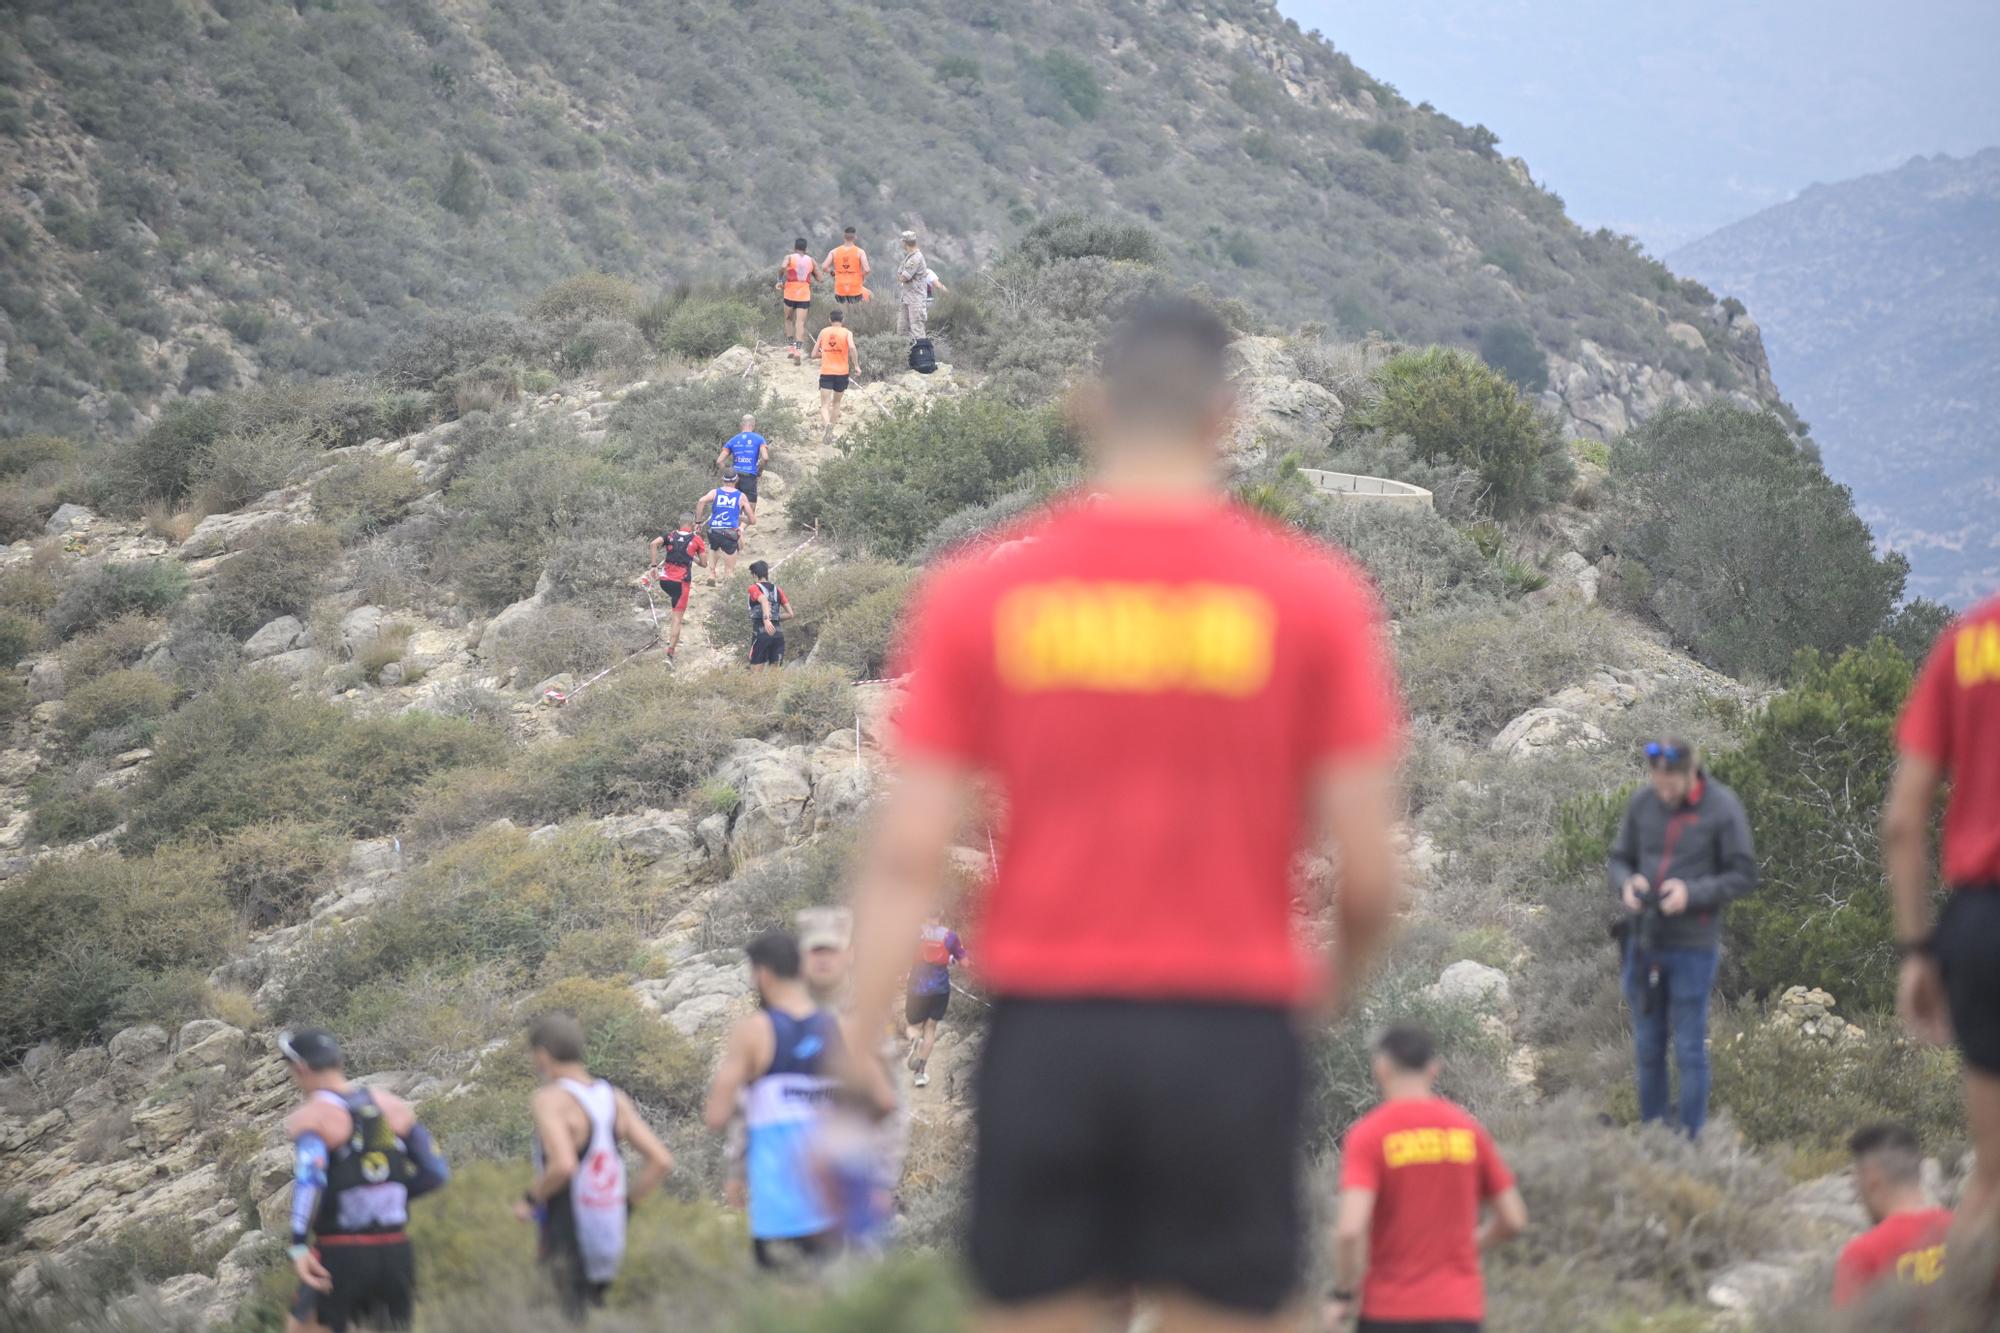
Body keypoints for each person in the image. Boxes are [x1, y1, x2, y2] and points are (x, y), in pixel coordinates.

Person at [848, 297, 1405, 1333]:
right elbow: (1369, 879)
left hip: (1050, 1026)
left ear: (1090, 408)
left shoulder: (981, 595)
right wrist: (1315, 1000)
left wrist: (854, 1043)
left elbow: (908, 852)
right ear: (1224, 420)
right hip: (1230, 1023)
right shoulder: (1312, 596)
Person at [1884, 591, 2000, 1249]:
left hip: (1984, 926)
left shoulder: (1969, 640)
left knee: (1992, 1177)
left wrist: (1916, 949)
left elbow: (1904, 821)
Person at [1327, 1025, 1528, 1333]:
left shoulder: (1368, 1135)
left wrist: (1342, 1293)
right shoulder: (1467, 1131)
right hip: (1458, 1311)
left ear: (1382, 1068)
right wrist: (1467, 1245)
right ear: (1433, 1069)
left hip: (1388, 1312)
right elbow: (1513, 1218)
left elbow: (1350, 1229)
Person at [1608, 737, 1757, 1139]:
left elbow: (1744, 874)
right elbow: (1619, 858)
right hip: (1643, 942)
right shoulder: (1642, 803)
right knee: (1647, 1048)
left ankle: (1692, 1141)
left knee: (1690, 1049)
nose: (1664, 790)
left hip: (1693, 947)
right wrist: (1627, 883)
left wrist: (1691, 894)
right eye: (1657, 781)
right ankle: (1655, 1136)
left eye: (1671, 782)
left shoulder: (1722, 808)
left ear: (1692, 772)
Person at [279, 1029, 449, 1333]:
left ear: (300, 1067)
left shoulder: (313, 1117)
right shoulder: (393, 1107)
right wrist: (390, 1197)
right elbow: (436, 1172)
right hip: (396, 1249)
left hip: (340, 1252)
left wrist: (298, 1245)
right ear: (338, 1061)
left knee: (300, 1327)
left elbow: (310, 1179)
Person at [703, 929, 847, 1272]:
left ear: (762, 973)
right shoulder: (831, 1027)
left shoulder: (753, 1030)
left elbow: (716, 1115)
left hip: (779, 1204)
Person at [516, 1014, 675, 1323]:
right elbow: (661, 1161)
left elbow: (563, 1165)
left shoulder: (550, 1099)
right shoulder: (613, 1098)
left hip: (567, 1232)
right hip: (608, 1232)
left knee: (562, 1318)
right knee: (595, 1315)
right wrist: (627, 1207)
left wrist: (529, 1200)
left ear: (543, 1054)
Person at [1833, 1122, 1951, 1307]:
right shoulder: (1969, 1232)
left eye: (1856, 1179)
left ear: (1872, 1178)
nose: (1856, 1191)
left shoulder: (1863, 1254)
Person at [903, 912, 965, 1089]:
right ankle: (920, 1074)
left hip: (917, 988)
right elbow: (963, 960)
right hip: (940, 989)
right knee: (930, 1028)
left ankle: (915, 1039)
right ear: (941, 914)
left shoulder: (915, 933)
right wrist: (952, 959)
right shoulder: (949, 936)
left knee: (913, 1026)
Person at [647, 514, 709, 660]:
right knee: (677, 619)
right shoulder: (697, 540)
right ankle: (670, 653)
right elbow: (704, 564)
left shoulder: (670, 535)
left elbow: (653, 544)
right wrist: (691, 555)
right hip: (681, 583)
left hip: (665, 581)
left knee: (674, 605)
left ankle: (674, 640)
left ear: (679, 523)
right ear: (692, 524)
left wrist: (654, 565)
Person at [695, 471, 754, 580]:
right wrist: (738, 517)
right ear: (736, 480)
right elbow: (752, 520)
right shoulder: (741, 496)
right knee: (729, 571)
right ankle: (727, 586)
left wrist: (698, 522)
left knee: (713, 547)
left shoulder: (715, 492)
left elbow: (701, 501)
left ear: (723, 479)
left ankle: (712, 574)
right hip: (730, 532)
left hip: (714, 530)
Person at [810, 309, 858, 443]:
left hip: (826, 372)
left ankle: (827, 429)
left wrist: (825, 353)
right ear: (842, 320)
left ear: (829, 320)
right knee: (836, 403)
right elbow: (853, 348)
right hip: (842, 373)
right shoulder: (847, 333)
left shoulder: (823, 332)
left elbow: (813, 354)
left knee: (824, 405)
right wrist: (856, 365)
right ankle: (831, 432)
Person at [776, 238, 820, 361]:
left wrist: (779, 280)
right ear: (806, 249)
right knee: (800, 322)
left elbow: (782, 267)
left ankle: (790, 346)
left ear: (794, 247)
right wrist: (814, 272)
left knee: (788, 319)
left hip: (790, 293)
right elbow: (821, 278)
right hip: (804, 294)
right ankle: (797, 350)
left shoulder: (789, 257)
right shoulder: (811, 260)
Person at [746, 558, 793, 668]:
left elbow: (764, 600)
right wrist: (774, 618)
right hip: (777, 634)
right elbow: (790, 614)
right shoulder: (778, 590)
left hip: (761, 633)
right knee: (775, 677)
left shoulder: (754, 588)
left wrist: (767, 621)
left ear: (754, 575)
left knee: (756, 674)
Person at [718, 414, 769, 506]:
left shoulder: (733, 440)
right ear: (753, 425)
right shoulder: (759, 439)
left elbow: (719, 461)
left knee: (733, 509)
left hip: (734, 477)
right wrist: (759, 471)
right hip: (750, 477)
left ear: (741, 424)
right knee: (749, 513)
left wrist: (727, 475)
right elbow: (765, 457)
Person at [824, 225, 871, 308]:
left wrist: (833, 273)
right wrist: (860, 276)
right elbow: (867, 269)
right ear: (855, 237)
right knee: (854, 311)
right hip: (855, 286)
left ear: (844, 237)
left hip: (840, 286)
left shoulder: (834, 251)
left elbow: (824, 266)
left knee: (842, 311)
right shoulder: (860, 252)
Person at [894, 229, 928, 342]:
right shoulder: (909, 257)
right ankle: (904, 356)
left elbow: (903, 277)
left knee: (917, 330)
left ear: (904, 242)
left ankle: (922, 357)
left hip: (915, 300)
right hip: (907, 298)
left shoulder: (915, 258)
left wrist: (900, 276)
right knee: (902, 330)